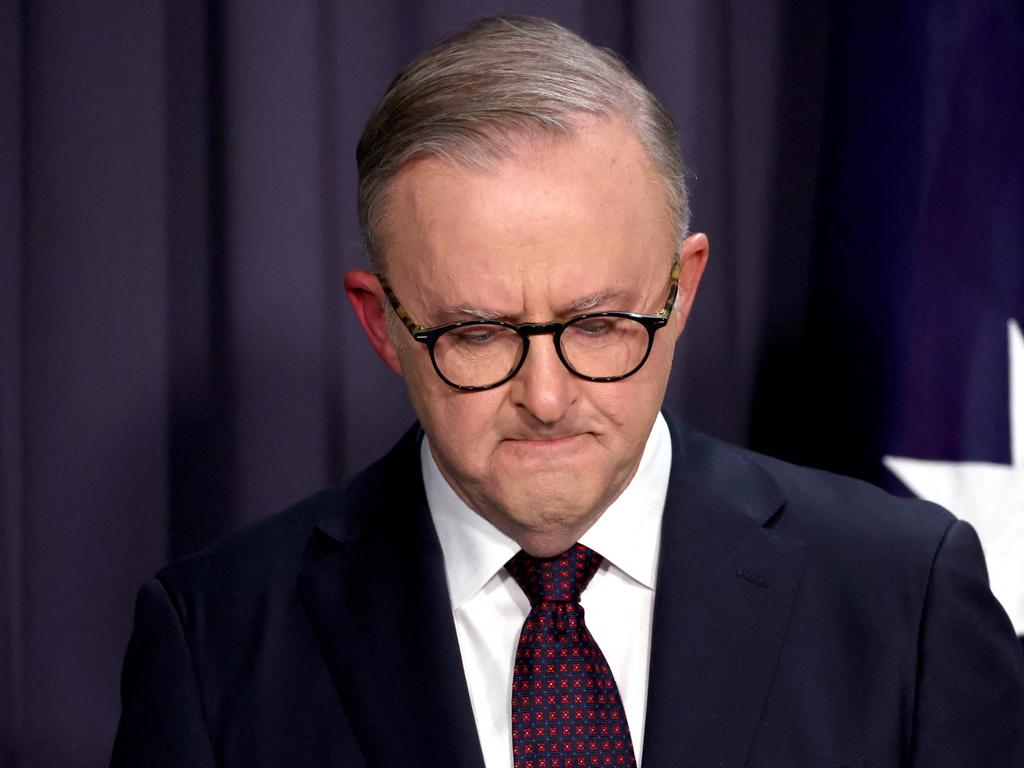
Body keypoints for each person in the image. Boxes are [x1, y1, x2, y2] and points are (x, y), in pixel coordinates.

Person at [111, 15, 1024, 768]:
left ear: (682, 291)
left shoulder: (907, 598)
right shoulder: (216, 642)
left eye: (596, 325)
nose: (545, 397)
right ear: (382, 323)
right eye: (475, 333)